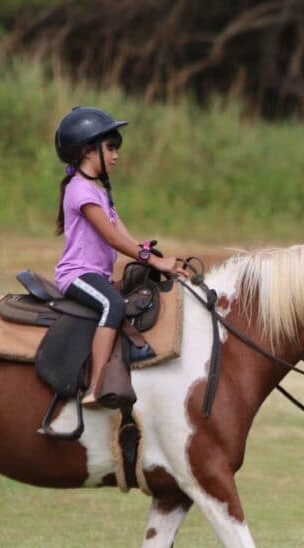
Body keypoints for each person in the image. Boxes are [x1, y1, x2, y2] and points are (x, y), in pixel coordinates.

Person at [53, 106, 186, 406]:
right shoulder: (80, 191)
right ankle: (96, 385)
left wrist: (151, 254)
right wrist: (152, 260)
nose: (116, 156)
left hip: (97, 275)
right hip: (77, 275)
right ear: (88, 151)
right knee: (112, 304)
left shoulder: (99, 192)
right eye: (110, 148)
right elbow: (111, 237)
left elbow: (125, 237)